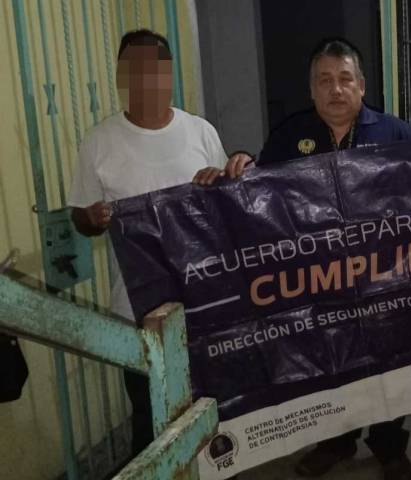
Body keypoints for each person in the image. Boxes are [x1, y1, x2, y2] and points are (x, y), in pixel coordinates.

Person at [212, 37, 411, 480]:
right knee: (330, 366)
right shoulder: (290, 136)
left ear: (362, 85)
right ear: (312, 90)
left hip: (381, 280)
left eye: (345, 78)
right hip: (318, 283)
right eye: (324, 80)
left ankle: (389, 447)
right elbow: (259, 193)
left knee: (387, 368)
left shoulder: (397, 135)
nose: (335, 89)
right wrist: (240, 165)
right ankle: (335, 441)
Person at [68, 29, 237, 456]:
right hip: (136, 312)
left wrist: (221, 182)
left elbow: (228, 208)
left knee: (214, 410)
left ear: (168, 73)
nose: (143, 79)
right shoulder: (98, 141)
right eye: (133, 69)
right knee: (150, 417)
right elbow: (80, 217)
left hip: (204, 304)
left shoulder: (200, 132)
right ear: (120, 75)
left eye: (153, 69)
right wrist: (90, 218)